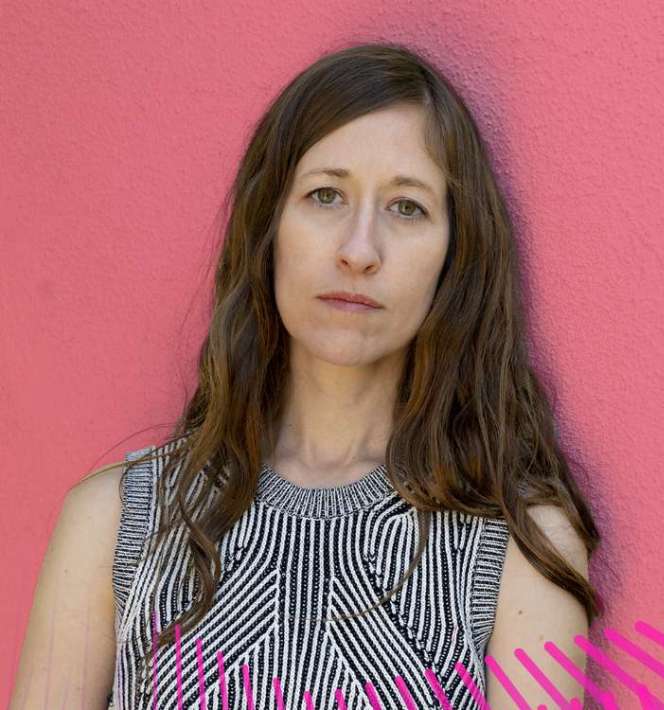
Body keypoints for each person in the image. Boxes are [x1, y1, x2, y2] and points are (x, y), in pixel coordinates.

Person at [10, 41, 604, 709]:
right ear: (270, 227)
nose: (358, 250)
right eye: (325, 195)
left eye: (407, 207)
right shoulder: (117, 520)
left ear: (454, 258)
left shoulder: (521, 546)